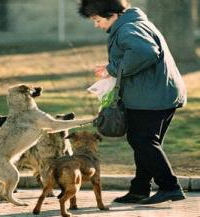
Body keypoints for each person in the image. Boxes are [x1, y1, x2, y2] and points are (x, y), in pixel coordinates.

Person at [78, 0, 187, 204]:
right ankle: (140, 189)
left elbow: (145, 52)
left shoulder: (128, 28)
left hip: (151, 96)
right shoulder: (134, 23)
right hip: (159, 92)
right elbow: (138, 53)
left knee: (142, 140)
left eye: (97, 20)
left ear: (112, 14)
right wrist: (113, 67)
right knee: (146, 143)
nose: (96, 25)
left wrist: (112, 69)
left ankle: (170, 187)